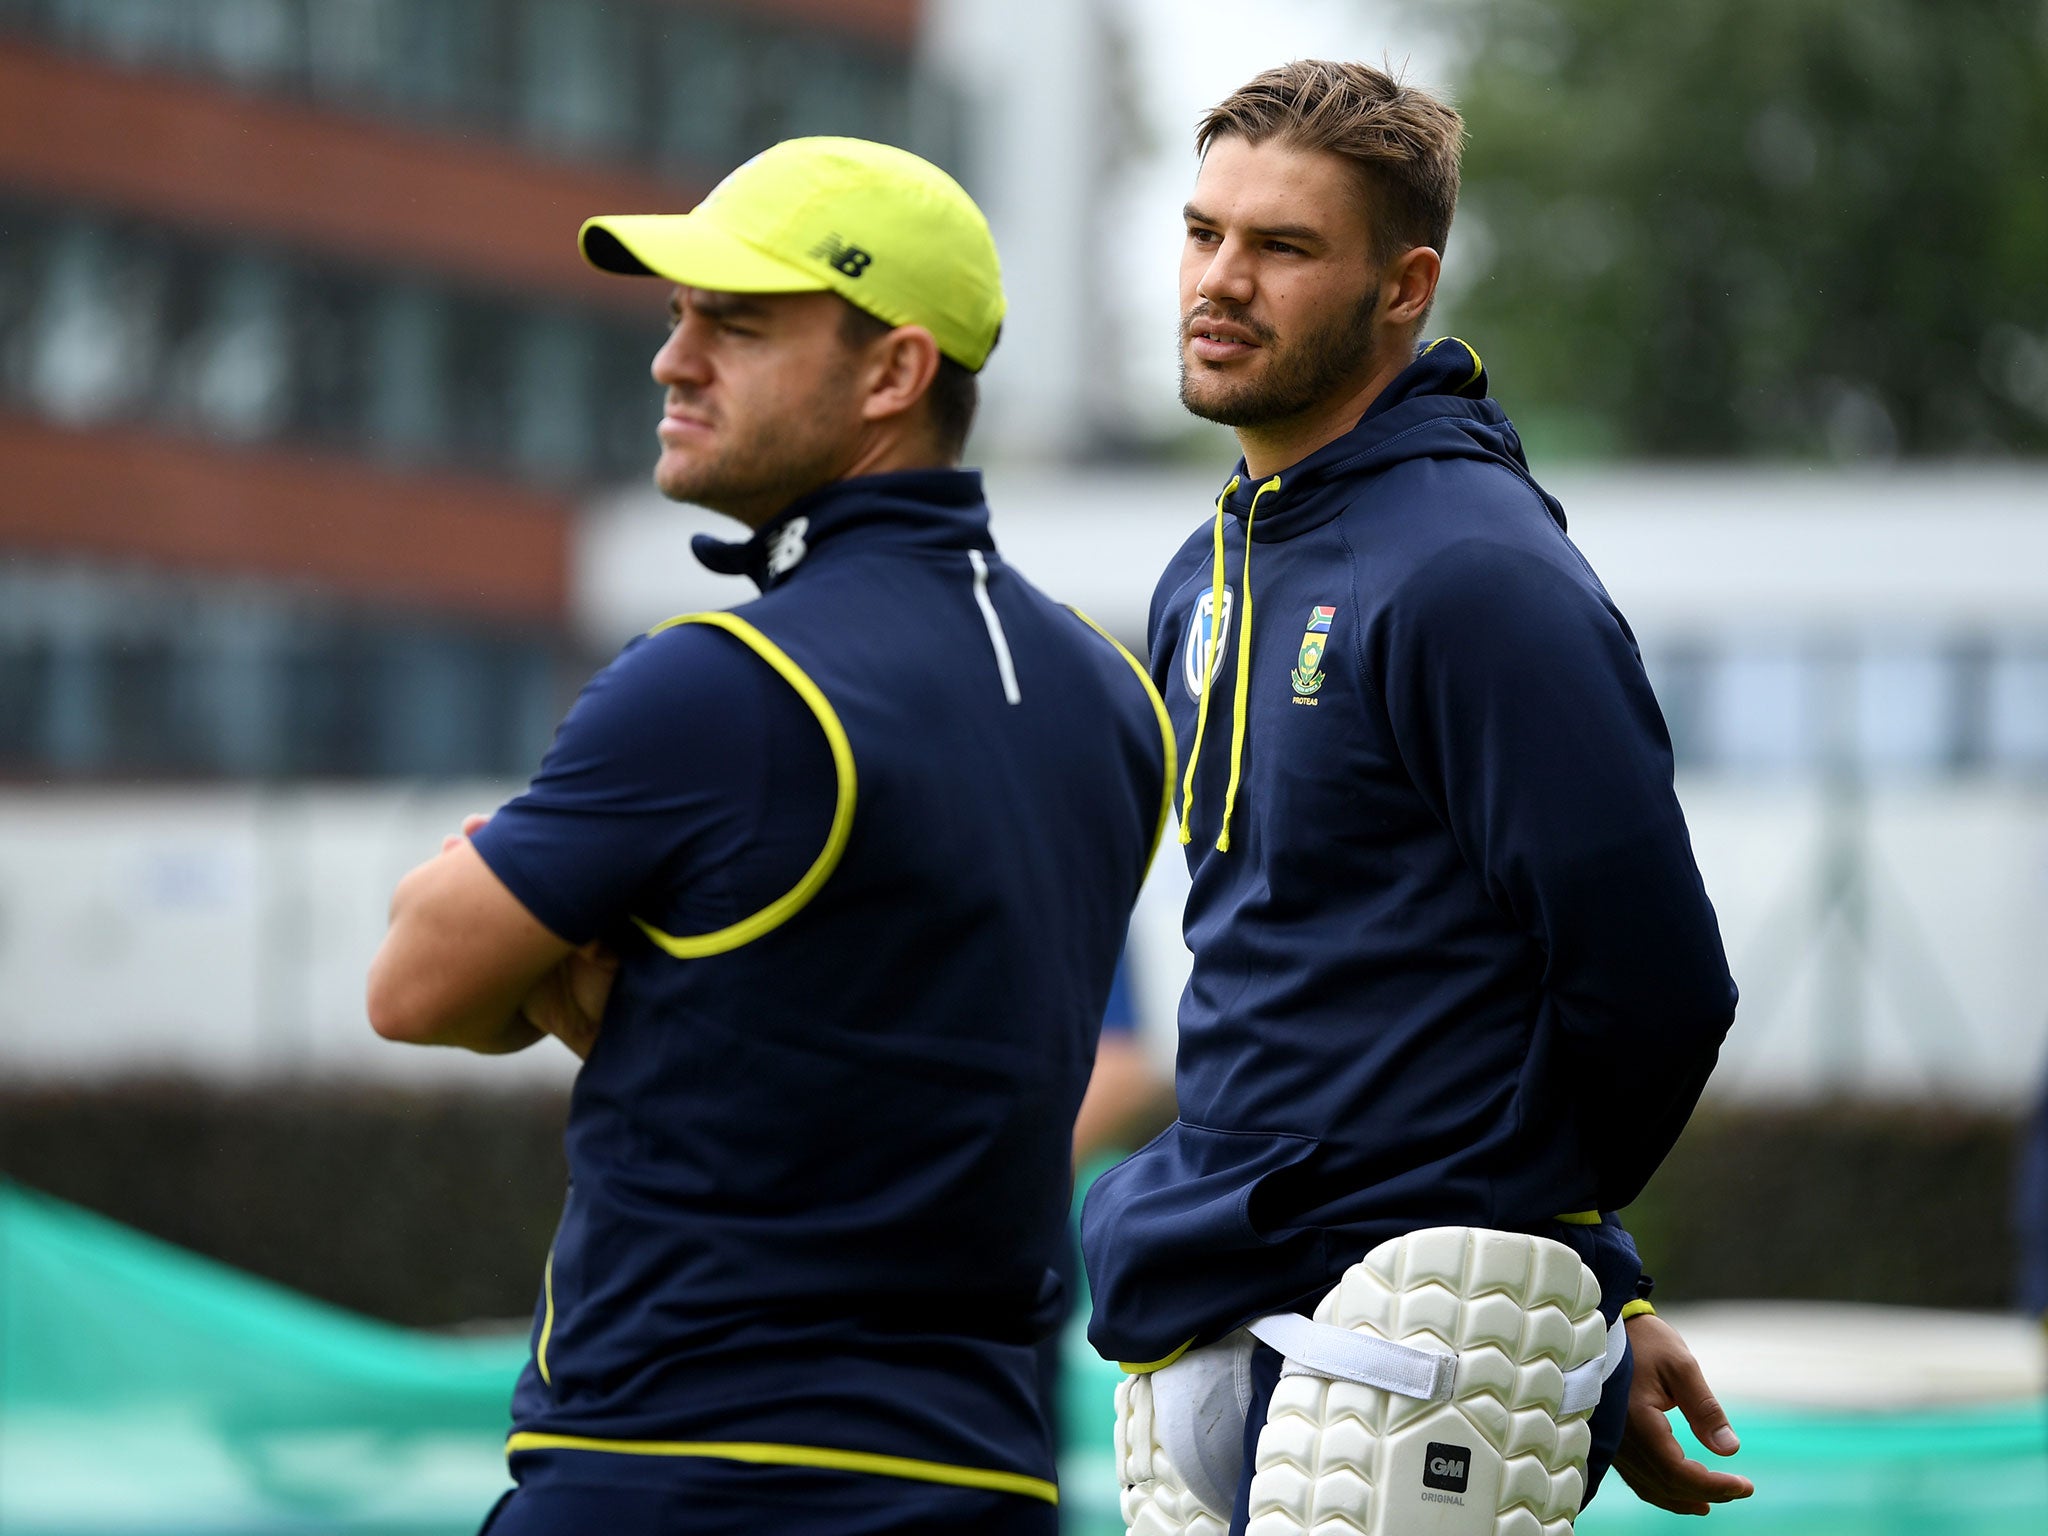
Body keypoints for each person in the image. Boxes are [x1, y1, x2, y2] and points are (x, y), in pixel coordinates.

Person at [367, 136, 1173, 1536]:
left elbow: (413, 984)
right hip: (983, 1483)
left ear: (894, 373)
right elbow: (872, 1039)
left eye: (734, 325)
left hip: (673, 1476)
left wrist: (572, 979)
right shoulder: (1115, 699)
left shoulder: (720, 683)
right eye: (680, 319)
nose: (676, 361)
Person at [1078, 62, 1755, 1533]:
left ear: (1407, 285)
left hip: (1407, 1353)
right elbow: (1331, 974)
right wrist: (1608, 1283)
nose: (1221, 280)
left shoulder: (1473, 575)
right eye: (1203, 234)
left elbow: (1656, 986)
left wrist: (1548, 1269)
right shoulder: (1204, 573)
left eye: (1284, 248)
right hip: (1207, 1312)